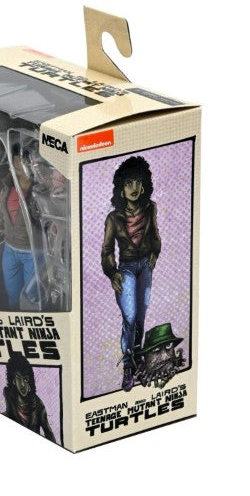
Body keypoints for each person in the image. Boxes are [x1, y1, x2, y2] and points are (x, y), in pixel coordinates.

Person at [101, 156, 161, 392]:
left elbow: (155, 235)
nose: (134, 187)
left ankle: (138, 361)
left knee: (141, 318)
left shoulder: (150, 208)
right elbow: (107, 250)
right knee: (130, 317)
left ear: (144, 184)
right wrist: (112, 272)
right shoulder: (113, 218)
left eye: (137, 182)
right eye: (128, 183)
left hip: (145, 266)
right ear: (121, 189)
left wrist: (154, 252)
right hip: (126, 269)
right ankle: (128, 366)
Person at [0, 141, 42, 310]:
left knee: (33, 297)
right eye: (16, 160)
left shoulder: (40, 190)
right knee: (13, 295)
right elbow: (0, 216)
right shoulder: (8, 186)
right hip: (10, 250)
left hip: (33, 252)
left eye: (24, 160)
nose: (19, 164)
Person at [3, 354, 56, 442]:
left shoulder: (38, 405)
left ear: (30, 381)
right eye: (18, 378)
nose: (22, 384)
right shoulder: (9, 398)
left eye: (25, 379)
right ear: (13, 381)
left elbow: (49, 433)